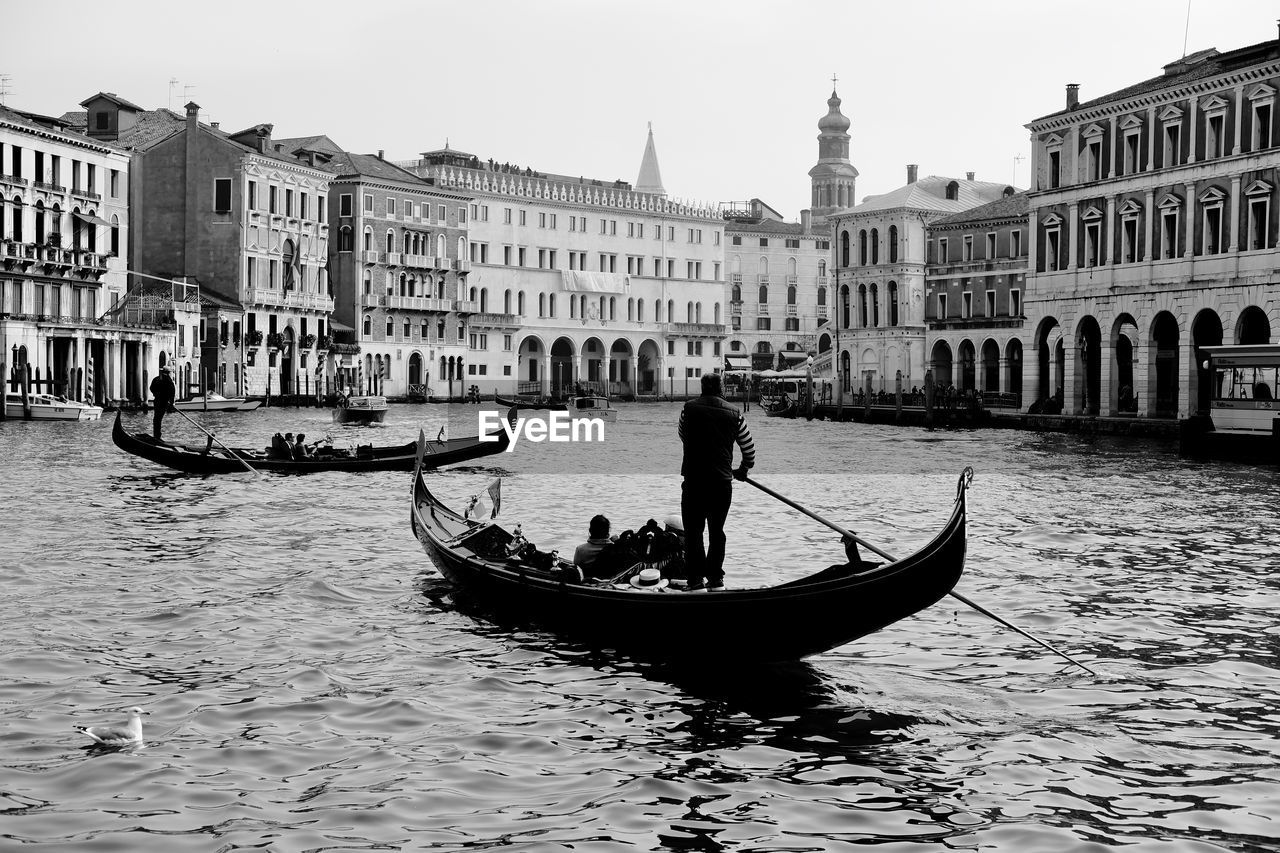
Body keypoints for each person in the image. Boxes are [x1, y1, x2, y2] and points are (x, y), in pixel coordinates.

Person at [678, 373, 755, 591]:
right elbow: (748, 450)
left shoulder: (688, 409)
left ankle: (695, 581)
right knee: (716, 531)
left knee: (693, 533)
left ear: (702, 387)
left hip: (693, 481)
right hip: (721, 483)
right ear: (721, 388)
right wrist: (743, 470)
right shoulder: (735, 413)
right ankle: (715, 580)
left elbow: (683, 435)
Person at [149, 366, 176, 439]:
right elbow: (172, 392)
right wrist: (171, 403)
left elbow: (151, 388)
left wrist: (156, 394)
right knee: (159, 418)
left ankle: (156, 435)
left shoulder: (156, 379)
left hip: (157, 401)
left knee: (156, 418)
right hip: (164, 402)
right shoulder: (169, 381)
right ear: (168, 373)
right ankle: (158, 436)